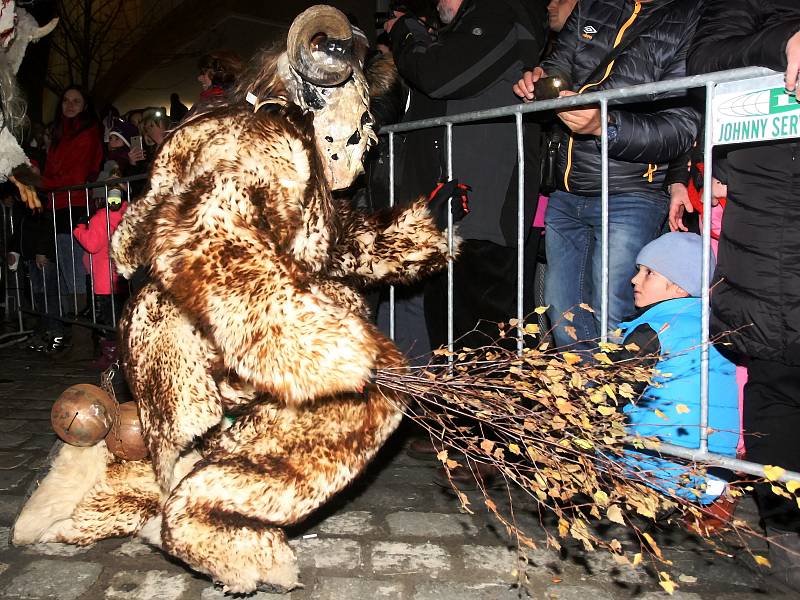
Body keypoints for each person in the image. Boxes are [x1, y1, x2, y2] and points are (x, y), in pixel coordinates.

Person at [687, 0, 800, 587]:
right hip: (775, 222)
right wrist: (785, 38)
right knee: (777, 381)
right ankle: (786, 530)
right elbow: (706, 54)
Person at [513, 0, 702, 352]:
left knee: (615, 319)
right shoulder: (593, 5)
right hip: (566, 188)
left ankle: (622, 406)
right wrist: (539, 84)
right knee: (563, 319)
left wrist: (606, 126)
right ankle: (581, 404)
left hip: (631, 191)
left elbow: (679, 128)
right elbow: (558, 68)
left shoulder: (692, 13)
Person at [387, 0, 549, 353]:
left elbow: (439, 75)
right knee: (450, 343)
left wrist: (406, 31)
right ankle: (457, 408)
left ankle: (494, 408)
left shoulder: (502, 13)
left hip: (482, 218)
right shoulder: (467, 27)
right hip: (451, 213)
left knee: (485, 344)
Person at [614, 232, 739, 507]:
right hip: (713, 473)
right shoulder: (718, 327)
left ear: (680, 286)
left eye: (649, 273)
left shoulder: (655, 330)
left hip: (657, 470)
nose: (635, 280)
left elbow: (611, 397)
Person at [38, 85, 103, 349]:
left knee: (75, 271)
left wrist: (43, 182)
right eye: (66, 100)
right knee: (66, 271)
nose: (70, 105)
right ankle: (76, 334)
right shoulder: (59, 134)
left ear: (85, 105)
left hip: (74, 206)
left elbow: (76, 175)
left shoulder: (87, 134)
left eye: (76, 101)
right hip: (57, 205)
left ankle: (82, 338)